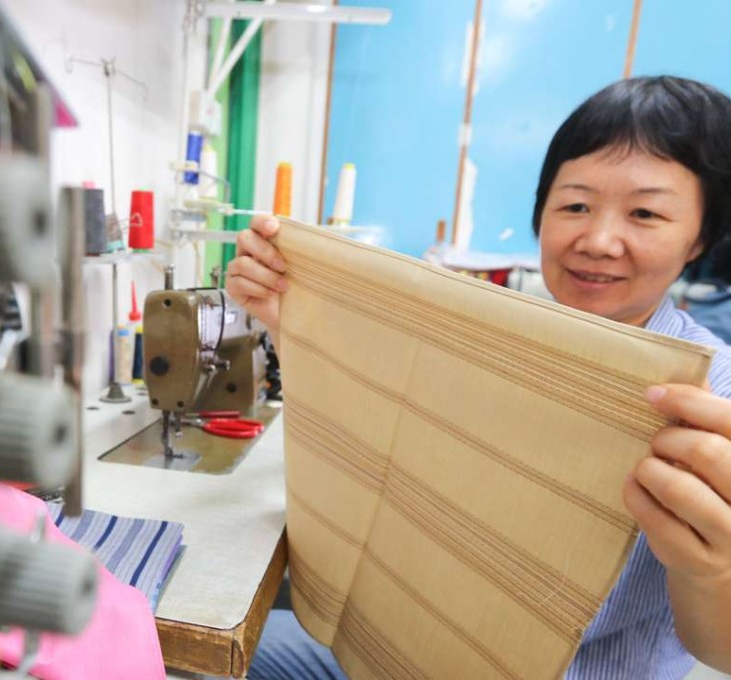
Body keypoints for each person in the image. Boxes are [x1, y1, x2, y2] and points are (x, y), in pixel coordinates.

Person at [227, 76, 731, 679]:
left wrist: (716, 569)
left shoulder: (713, 401)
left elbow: (720, 650)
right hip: (385, 646)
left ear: (699, 234)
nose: (598, 241)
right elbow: (374, 435)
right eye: (574, 205)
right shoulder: (486, 336)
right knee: (200, 646)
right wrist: (293, 320)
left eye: (645, 212)